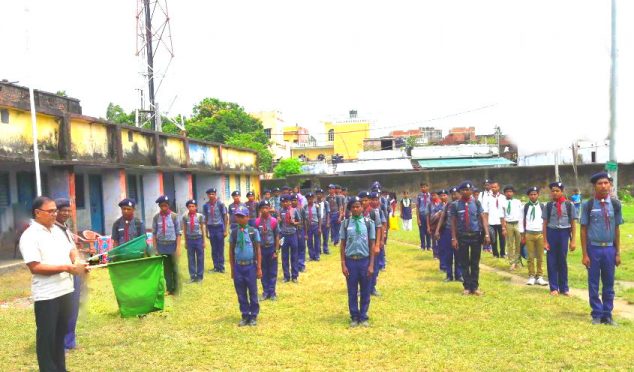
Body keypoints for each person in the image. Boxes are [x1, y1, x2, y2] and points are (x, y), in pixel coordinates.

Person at [20, 196, 89, 372]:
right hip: (48, 295)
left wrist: (77, 262)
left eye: (55, 211)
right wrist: (66, 267)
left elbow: (71, 249)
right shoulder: (30, 236)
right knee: (47, 339)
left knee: (60, 336)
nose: (54, 214)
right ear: (37, 213)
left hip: (65, 290)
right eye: (50, 211)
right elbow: (35, 267)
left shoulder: (58, 231)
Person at [580, 172, 622, 325]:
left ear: (610, 185)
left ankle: (607, 314)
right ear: (594, 186)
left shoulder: (616, 204)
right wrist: (585, 254)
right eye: (600, 183)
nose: (604, 186)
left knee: (609, 283)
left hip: (609, 250)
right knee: (593, 282)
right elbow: (583, 229)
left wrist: (617, 252)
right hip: (594, 249)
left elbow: (617, 229)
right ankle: (596, 314)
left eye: (606, 183)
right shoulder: (588, 205)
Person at [54, 198, 85, 352]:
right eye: (62, 210)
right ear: (55, 211)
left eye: (68, 210)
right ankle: (62, 343)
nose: (66, 213)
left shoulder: (65, 228)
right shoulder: (52, 230)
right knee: (63, 308)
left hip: (74, 272)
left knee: (73, 308)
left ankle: (69, 341)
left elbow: (72, 250)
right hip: (63, 273)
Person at [340, 196, 376, 327]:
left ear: (362, 208)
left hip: (364, 261)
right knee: (352, 290)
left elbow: (372, 244)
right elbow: (342, 245)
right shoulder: (345, 224)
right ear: (350, 209)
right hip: (351, 262)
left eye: (358, 206)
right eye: (353, 207)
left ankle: (364, 316)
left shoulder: (368, 223)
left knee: (365, 290)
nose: (356, 209)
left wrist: (372, 264)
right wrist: (343, 264)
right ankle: (354, 316)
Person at [450, 181, 490, 296]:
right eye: (463, 190)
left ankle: (475, 287)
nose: (465, 192)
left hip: (476, 236)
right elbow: (453, 222)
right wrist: (454, 238)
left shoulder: (476, 203)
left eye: (468, 190)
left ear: (471, 191)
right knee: (464, 262)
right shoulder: (455, 205)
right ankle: (467, 287)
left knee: (475, 262)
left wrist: (487, 234)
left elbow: (483, 219)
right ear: (460, 192)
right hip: (462, 236)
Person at [229, 206, 262, 326]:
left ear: (247, 217)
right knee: (241, 292)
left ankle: (253, 315)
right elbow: (231, 251)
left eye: (242, 216)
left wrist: (258, 268)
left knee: (253, 291)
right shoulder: (234, 232)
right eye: (237, 216)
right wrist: (232, 269)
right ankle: (245, 315)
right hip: (239, 267)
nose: (239, 218)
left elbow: (258, 250)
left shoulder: (253, 231)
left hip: (250, 267)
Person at [542, 181, 576, 296]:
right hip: (552, 233)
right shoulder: (548, 206)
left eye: (557, 191)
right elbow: (545, 224)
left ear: (562, 192)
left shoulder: (569, 205)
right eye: (553, 191)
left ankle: (564, 288)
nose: (555, 193)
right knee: (551, 261)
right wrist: (545, 241)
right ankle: (553, 288)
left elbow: (573, 223)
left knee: (562, 260)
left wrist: (573, 241)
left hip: (564, 233)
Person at [152, 195, 182, 295]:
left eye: (165, 206)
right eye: (161, 206)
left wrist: (178, 247)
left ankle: (176, 288)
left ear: (168, 205)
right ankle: (169, 288)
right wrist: (155, 248)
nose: (163, 208)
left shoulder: (174, 216)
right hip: (162, 246)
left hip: (172, 245)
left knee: (175, 267)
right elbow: (154, 234)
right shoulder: (156, 218)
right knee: (166, 268)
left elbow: (178, 233)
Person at [435, 187, 462, 282]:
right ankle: (449, 275)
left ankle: (459, 275)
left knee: (459, 254)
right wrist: (437, 230)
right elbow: (442, 218)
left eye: (456, 194)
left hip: (460, 232)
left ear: (460, 194)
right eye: (452, 194)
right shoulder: (448, 205)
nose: (454, 196)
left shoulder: (462, 204)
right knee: (448, 254)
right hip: (448, 231)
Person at [522, 187, 548, 286]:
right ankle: (531, 276)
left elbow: (545, 221)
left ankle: (540, 276)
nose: (533, 196)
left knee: (540, 256)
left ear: (538, 195)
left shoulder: (542, 206)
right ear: (528, 196)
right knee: (530, 256)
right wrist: (523, 234)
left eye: (535, 194)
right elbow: (522, 220)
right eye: (531, 194)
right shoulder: (525, 207)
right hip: (529, 233)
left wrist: (546, 235)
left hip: (540, 234)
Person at [256, 200, 280, 300]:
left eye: (267, 207)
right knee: (263, 271)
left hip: (271, 249)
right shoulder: (257, 222)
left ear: (269, 208)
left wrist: (276, 251)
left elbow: (277, 237)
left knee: (273, 271)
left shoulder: (274, 221)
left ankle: (272, 292)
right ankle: (265, 292)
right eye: (263, 208)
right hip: (261, 249)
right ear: (260, 209)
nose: (265, 210)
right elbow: (255, 239)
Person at [203, 188, 228, 274]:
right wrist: (206, 231)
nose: (211, 195)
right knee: (214, 248)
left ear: (215, 194)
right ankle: (215, 266)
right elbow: (206, 218)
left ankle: (221, 267)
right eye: (209, 194)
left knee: (220, 248)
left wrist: (225, 230)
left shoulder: (220, 204)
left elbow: (225, 217)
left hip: (219, 228)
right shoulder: (206, 205)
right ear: (207, 195)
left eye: (213, 194)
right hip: (211, 228)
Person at [279, 194, 301, 283]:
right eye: (283, 202)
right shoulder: (280, 211)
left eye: (287, 202)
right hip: (284, 235)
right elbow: (279, 224)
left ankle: (294, 276)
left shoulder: (294, 210)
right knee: (284, 256)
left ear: (289, 202)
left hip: (293, 235)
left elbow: (299, 221)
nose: (285, 203)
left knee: (294, 256)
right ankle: (286, 276)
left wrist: (294, 223)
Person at [182, 199, 206, 283]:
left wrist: (204, 241)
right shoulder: (185, 216)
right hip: (190, 240)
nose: (191, 208)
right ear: (187, 207)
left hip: (198, 239)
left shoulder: (200, 216)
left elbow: (203, 228)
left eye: (193, 206)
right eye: (189, 206)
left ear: (196, 207)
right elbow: (184, 229)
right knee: (191, 258)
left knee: (200, 258)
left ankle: (199, 276)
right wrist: (185, 241)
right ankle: (192, 276)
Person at [501, 185, 523, 271]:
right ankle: (511, 262)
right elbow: (502, 216)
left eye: (510, 192)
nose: (509, 193)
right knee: (510, 244)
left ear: (513, 193)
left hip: (517, 224)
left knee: (518, 243)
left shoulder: (517, 202)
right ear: (505, 193)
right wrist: (503, 228)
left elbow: (521, 214)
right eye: (507, 192)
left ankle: (517, 261)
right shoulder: (503, 203)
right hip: (508, 224)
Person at [369, 191, 387, 296]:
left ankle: (373, 287)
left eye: (376, 200)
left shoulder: (379, 211)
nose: (374, 202)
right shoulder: (366, 211)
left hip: (376, 241)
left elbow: (382, 224)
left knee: (375, 266)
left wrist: (381, 240)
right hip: (367, 242)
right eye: (372, 200)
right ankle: (364, 287)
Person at [483, 181, 505, 257]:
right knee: (493, 239)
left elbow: (504, 210)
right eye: (492, 187)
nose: (493, 188)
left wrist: (504, 223)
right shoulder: (487, 198)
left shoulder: (503, 197)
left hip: (500, 222)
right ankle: (495, 254)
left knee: (502, 239)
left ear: (498, 187)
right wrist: (486, 222)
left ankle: (503, 253)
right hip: (491, 221)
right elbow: (485, 212)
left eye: (495, 187)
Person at [303, 193, 322, 262]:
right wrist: (305, 230)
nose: (310, 200)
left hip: (315, 225)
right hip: (308, 226)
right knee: (309, 241)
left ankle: (317, 256)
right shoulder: (305, 207)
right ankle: (311, 256)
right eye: (308, 198)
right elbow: (304, 219)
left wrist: (319, 228)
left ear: (313, 198)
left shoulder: (317, 206)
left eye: (311, 198)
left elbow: (319, 217)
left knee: (317, 241)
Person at [325, 184, 343, 253]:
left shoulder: (338, 197)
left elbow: (340, 207)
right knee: (331, 228)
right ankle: (332, 240)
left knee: (337, 228)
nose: (330, 190)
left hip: (336, 213)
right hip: (330, 214)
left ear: (334, 189)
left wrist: (340, 216)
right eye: (329, 189)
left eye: (331, 189)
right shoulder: (327, 198)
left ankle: (336, 241)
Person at [426, 191, 444, 261]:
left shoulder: (441, 203)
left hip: (441, 225)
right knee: (434, 240)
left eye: (434, 195)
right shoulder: (429, 204)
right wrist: (428, 226)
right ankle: (435, 254)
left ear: (438, 196)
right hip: (433, 225)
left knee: (441, 240)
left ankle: (441, 254)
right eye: (432, 195)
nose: (433, 197)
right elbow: (427, 215)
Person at [292, 194, 307, 272]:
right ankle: (296, 265)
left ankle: (301, 265)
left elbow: (305, 222)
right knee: (295, 249)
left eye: (295, 200)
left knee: (301, 248)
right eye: (293, 200)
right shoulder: (290, 210)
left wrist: (306, 233)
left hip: (300, 230)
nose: (294, 202)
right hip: (292, 232)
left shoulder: (301, 209)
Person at [416, 183, 432, 251]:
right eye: (422, 187)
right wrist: (418, 218)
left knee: (429, 231)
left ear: (428, 187)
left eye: (424, 187)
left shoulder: (431, 196)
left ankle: (429, 246)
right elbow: (417, 207)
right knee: (422, 232)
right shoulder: (419, 196)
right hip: (422, 215)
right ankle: (423, 246)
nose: (423, 188)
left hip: (429, 216)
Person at [316, 188, 330, 257]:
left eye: (320, 194)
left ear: (322, 195)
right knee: (318, 237)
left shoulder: (326, 203)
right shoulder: (315, 203)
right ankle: (319, 250)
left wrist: (327, 222)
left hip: (324, 222)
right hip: (317, 223)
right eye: (317, 194)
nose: (319, 195)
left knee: (326, 237)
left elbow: (327, 213)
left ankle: (326, 249)